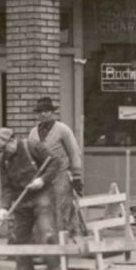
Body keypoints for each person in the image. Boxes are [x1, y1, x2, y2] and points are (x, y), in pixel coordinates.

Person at [0, 127, 55, 270]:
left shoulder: (32, 146)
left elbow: (54, 163)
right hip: (21, 200)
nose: (5, 152)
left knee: (46, 232)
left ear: (12, 140)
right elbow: (6, 186)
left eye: (5, 148)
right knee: (19, 237)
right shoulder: (4, 161)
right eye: (2, 150)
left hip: (42, 195)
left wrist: (43, 180)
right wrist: (4, 207)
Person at [26, 96, 86, 237]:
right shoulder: (33, 133)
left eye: (47, 111)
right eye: (40, 111)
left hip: (61, 175)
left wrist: (77, 175)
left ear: (52, 112)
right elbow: (30, 156)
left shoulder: (62, 129)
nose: (43, 114)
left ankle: (65, 241)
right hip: (42, 177)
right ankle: (47, 242)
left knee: (62, 208)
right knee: (43, 209)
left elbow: (74, 153)